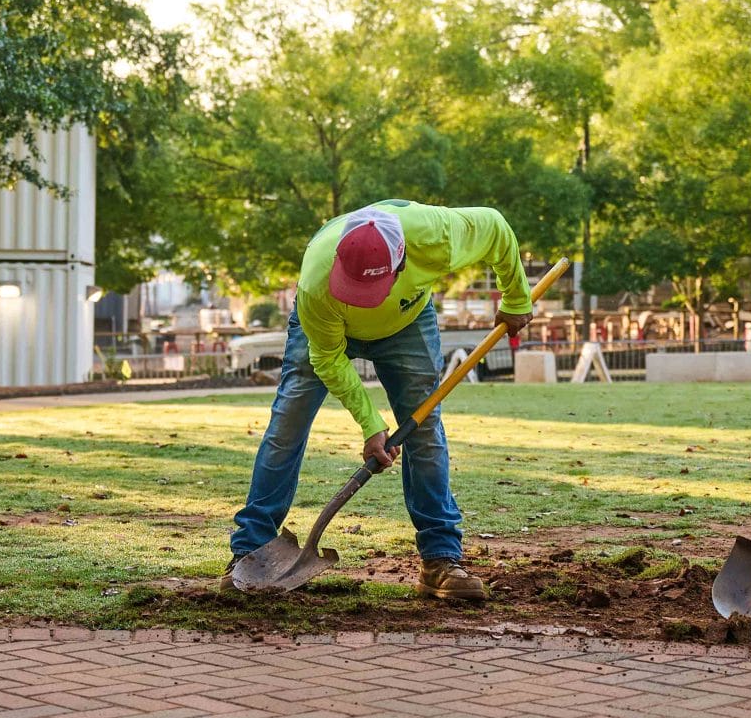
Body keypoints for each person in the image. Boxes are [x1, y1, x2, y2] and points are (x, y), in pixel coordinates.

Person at [226, 200, 534, 600]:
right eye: (353, 287)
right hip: (325, 327)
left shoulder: (437, 235)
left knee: (425, 435)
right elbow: (327, 360)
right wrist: (372, 424)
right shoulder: (317, 280)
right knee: (287, 426)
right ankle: (250, 548)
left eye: (368, 289)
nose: (358, 298)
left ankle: (440, 557)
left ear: (402, 262)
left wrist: (515, 300)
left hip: (406, 324)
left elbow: (495, 226)